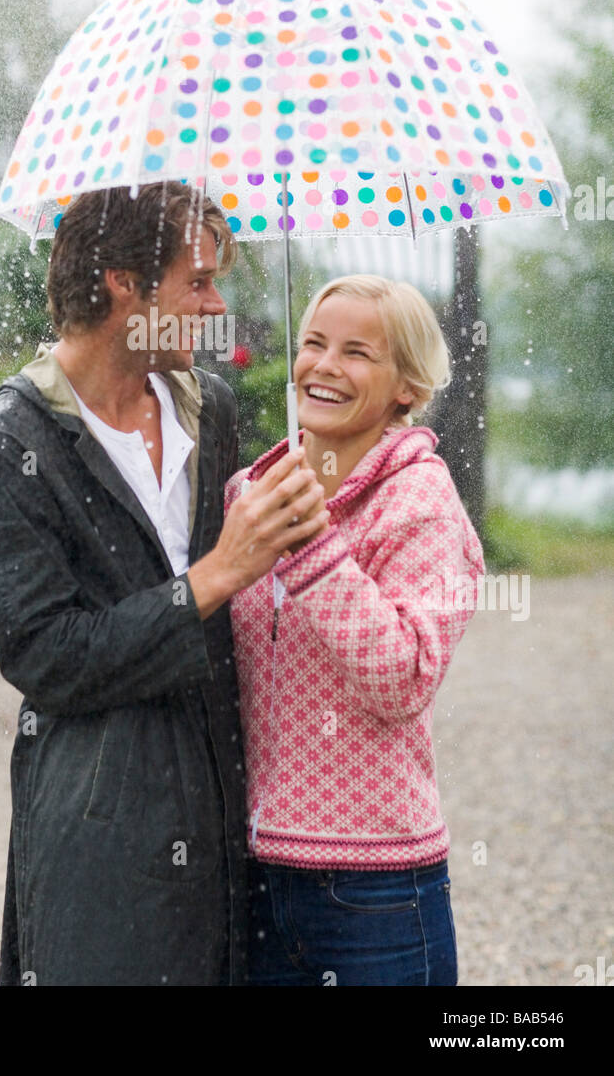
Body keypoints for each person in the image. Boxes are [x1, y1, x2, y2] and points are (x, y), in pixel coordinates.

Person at [0, 182, 326, 986]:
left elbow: (248, 608)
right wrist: (216, 573)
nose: (216, 303)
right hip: (101, 821)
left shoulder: (210, 410)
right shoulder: (7, 442)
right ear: (124, 283)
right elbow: (47, 657)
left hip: (230, 798)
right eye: (197, 282)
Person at [225, 273, 486, 987]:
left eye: (357, 352)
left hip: (375, 889)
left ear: (407, 384)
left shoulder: (422, 503)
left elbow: (403, 678)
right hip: (251, 873)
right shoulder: (250, 494)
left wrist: (311, 545)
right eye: (313, 343)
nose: (324, 366)